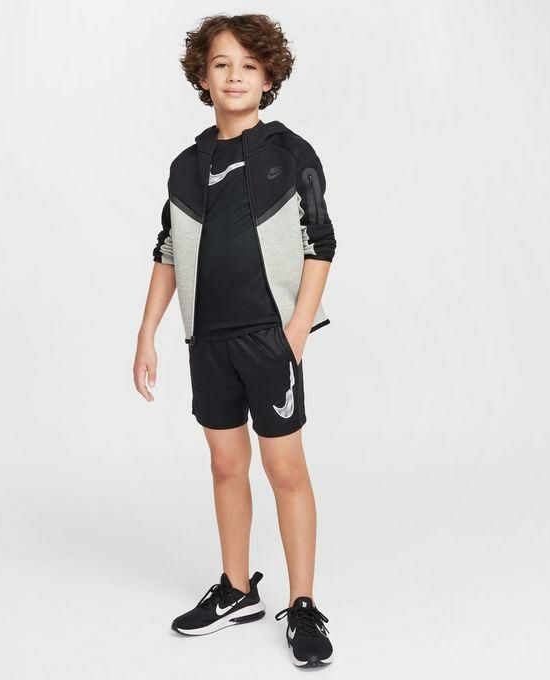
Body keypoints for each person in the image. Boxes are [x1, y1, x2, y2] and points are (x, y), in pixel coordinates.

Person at [133, 13, 337, 668]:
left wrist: (296, 331)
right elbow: (168, 251)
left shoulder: (290, 153)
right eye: (221, 64)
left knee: (285, 469)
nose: (235, 76)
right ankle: (237, 588)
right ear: (202, 76)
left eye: (248, 65)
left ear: (269, 77)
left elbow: (321, 243)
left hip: (269, 339)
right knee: (226, 465)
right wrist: (147, 333)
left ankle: (302, 604)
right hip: (209, 343)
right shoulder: (186, 167)